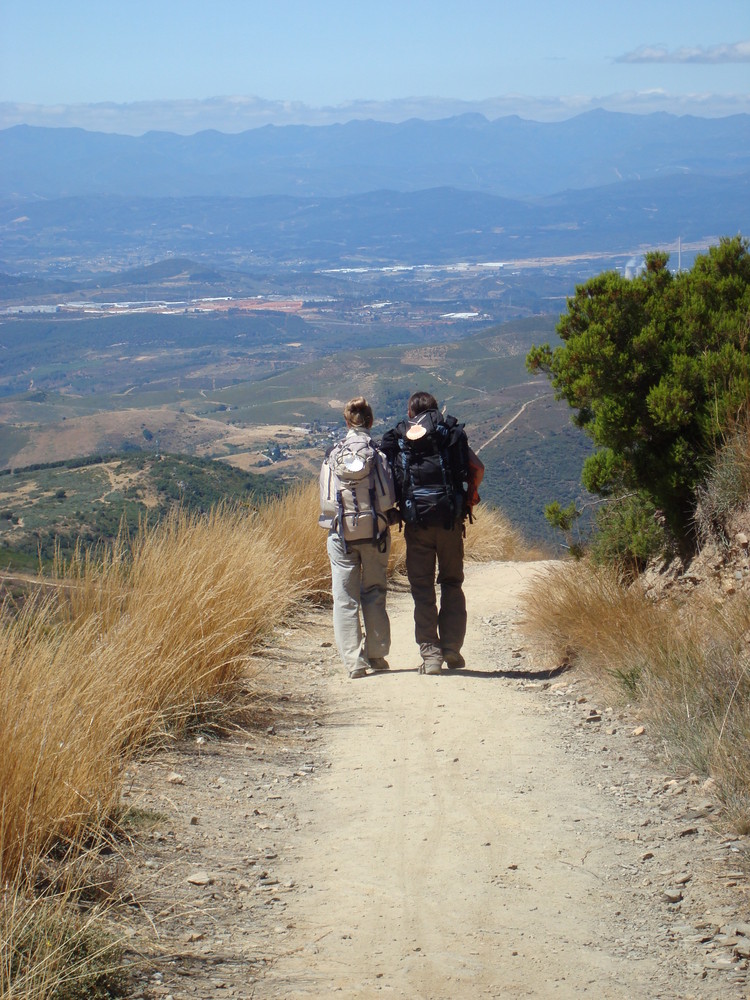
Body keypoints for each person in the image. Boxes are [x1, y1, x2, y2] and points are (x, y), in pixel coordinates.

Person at [381, 391, 484, 675]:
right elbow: (477, 468)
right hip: (450, 521)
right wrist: (468, 501)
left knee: (422, 588)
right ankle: (451, 647)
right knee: (451, 582)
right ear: (436, 410)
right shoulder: (450, 432)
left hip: (417, 524)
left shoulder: (401, 436)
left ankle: (431, 655)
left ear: (411, 412)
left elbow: (386, 475)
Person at [319, 397, 398, 679]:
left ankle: (354, 662)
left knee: (345, 599)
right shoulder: (377, 455)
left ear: (346, 422)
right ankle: (377, 655)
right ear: (371, 421)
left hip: (341, 535)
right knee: (375, 592)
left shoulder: (332, 455)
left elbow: (327, 503)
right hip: (375, 532)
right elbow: (388, 499)